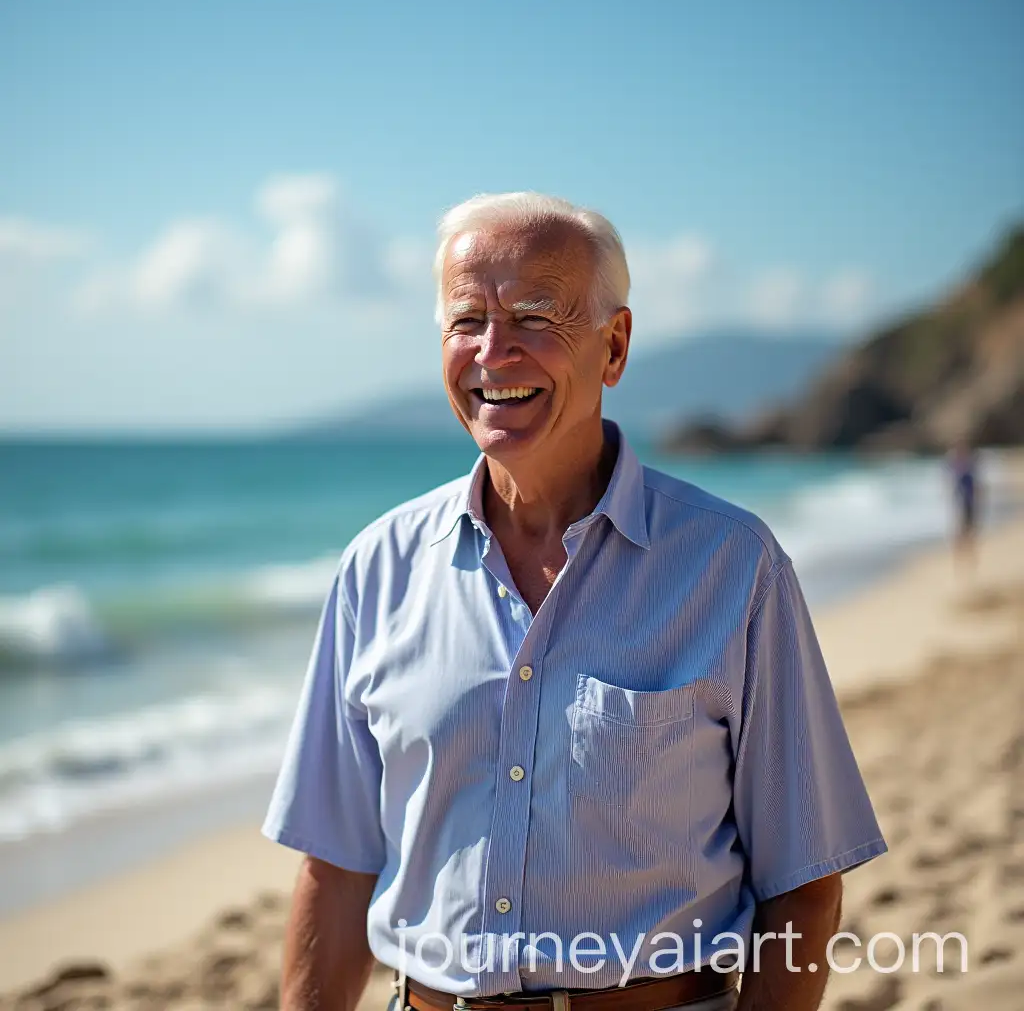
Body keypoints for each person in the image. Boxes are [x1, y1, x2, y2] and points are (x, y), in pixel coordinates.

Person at [262, 193, 887, 1011]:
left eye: (533, 316)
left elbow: (804, 885)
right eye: (466, 320)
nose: (494, 351)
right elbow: (335, 868)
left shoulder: (734, 567)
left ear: (615, 345)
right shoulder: (374, 570)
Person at [948, 441, 980, 570]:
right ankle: (961, 558)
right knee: (963, 531)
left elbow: (975, 488)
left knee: (968, 531)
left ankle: (967, 558)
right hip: (963, 504)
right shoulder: (961, 470)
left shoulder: (967, 468)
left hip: (968, 504)